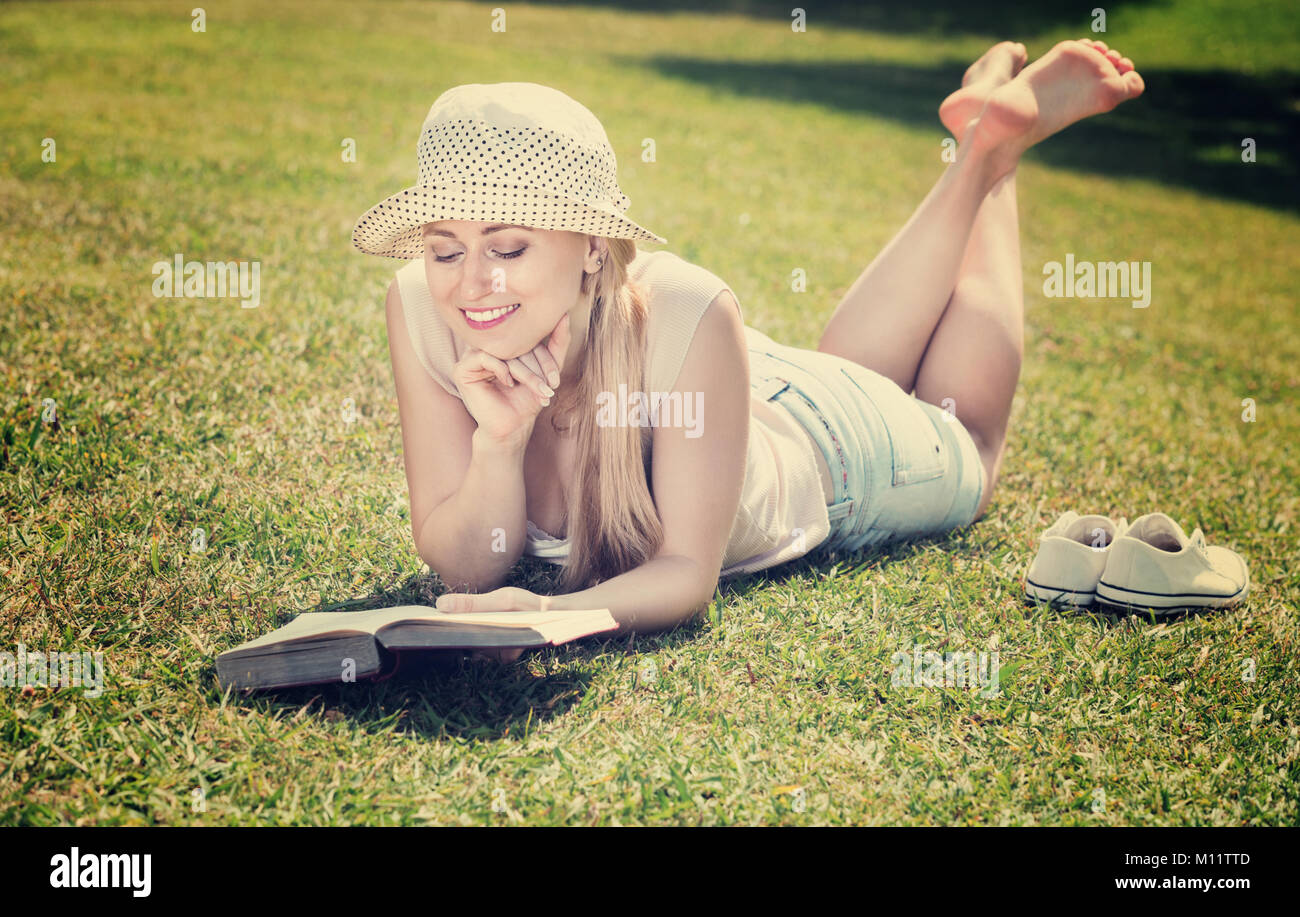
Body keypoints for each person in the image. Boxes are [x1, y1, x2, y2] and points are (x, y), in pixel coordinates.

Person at [352, 40, 1145, 658]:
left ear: (592, 244)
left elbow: (684, 576)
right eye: (446, 248)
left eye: (509, 247)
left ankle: (992, 157)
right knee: (857, 368)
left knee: (967, 435)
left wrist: (552, 616)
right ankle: (982, 140)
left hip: (832, 451)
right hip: (742, 397)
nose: (473, 285)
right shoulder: (420, 309)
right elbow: (465, 566)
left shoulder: (691, 306)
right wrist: (498, 444)